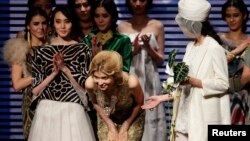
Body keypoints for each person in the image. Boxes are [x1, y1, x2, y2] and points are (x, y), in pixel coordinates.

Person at [142, 0, 230, 141]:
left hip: (201, 117)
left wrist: (193, 81)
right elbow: (183, 84)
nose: (181, 27)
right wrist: (162, 98)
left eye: (184, 23)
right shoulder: (190, 47)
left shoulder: (214, 48)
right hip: (183, 116)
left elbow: (223, 84)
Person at [28, 6, 95, 141]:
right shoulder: (42, 52)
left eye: (67, 21)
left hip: (73, 111)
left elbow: (85, 89)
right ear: (53, 23)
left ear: (73, 23)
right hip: (47, 111)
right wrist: (54, 73)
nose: (62, 26)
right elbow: (35, 90)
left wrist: (65, 69)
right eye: (58, 21)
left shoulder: (82, 50)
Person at [118, 0, 167, 141]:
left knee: (151, 113)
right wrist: (133, 50)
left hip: (151, 78)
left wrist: (147, 47)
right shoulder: (122, 27)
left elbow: (160, 59)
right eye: (134, 0)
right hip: (130, 77)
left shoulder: (157, 26)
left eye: (142, 0)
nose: (138, 4)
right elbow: (119, 60)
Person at [3, 8, 49, 140]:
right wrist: (39, 78)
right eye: (36, 24)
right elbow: (17, 84)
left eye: (44, 23)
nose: (41, 27)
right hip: (32, 104)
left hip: (55, 102)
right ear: (28, 26)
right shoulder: (21, 49)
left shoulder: (54, 46)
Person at [85, 50, 145, 141]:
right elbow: (95, 103)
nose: (100, 83)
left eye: (104, 78)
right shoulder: (90, 84)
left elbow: (140, 103)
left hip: (131, 117)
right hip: (107, 117)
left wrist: (126, 126)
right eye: (96, 77)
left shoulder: (131, 83)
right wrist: (110, 126)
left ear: (115, 75)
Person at [219, 0, 250, 125]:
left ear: (244, 15)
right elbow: (217, 64)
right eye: (228, 16)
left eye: (235, 15)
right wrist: (241, 47)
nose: (231, 20)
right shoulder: (217, 40)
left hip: (247, 95)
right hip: (223, 94)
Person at [82, 0, 132, 73]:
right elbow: (82, 71)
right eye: (97, 16)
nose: (100, 20)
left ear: (113, 17)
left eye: (105, 16)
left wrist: (100, 57)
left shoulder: (123, 40)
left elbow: (125, 71)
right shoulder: (87, 40)